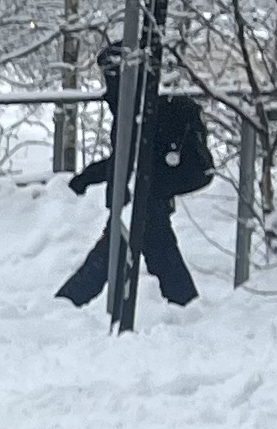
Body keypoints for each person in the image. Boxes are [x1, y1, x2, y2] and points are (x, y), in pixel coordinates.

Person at [57, 73, 216, 308]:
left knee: (111, 257)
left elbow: (129, 160)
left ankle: (65, 305)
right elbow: (126, 159)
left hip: (141, 199)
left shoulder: (137, 113)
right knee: (160, 257)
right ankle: (187, 307)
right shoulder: (142, 108)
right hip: (149, 197)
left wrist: (87, 178)